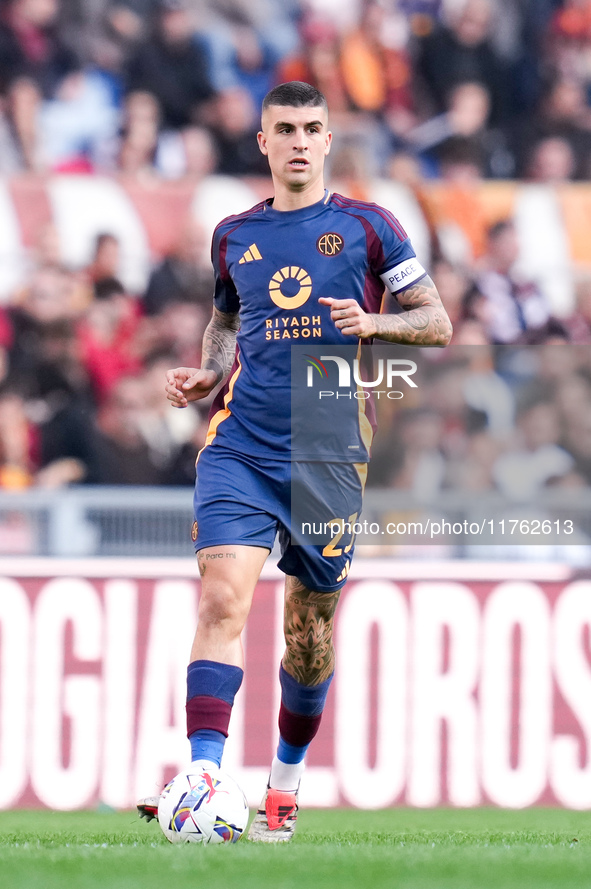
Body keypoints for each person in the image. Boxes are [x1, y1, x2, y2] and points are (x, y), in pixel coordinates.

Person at [137, 81, 452, 841]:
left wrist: (373, 320)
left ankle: (283, 784)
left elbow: (436, 322)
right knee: (221, 597)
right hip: (240, 442)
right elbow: (225, 321)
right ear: (264, 143)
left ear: (328, 141)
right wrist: (211, 370)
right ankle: (204, 775)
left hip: (327, 450)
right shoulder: (233, 235)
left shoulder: (370, 226)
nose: (301, 140)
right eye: (287, 128)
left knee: (308, 634)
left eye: (314, 128)